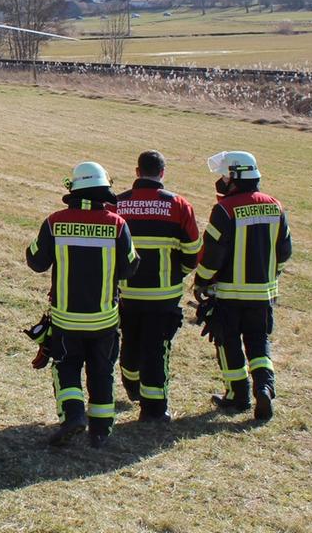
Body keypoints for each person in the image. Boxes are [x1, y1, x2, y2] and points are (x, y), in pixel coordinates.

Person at [26, 162, 137, 448]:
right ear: (104, 191)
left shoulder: (55, 222)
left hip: (66, 320)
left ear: (73, 190)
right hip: (104, 320)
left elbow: (35, 261)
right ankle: (100, 431)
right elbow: (130, 267)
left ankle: (73, 416)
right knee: (102, 371)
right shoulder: (117, 224)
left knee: (66, 367)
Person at [194, 150, 292, 423]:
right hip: (262, 294)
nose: (222, 181)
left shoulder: (225, 209)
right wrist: (272, 276)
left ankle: (238, 395)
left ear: (235, 177)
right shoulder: (275, 206)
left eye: (225, 176)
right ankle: (264, 387)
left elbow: (213, 253)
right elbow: (284, 250)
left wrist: (202, 281)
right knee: (259, 342)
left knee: (228, 343)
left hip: (228, 293)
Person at [114, 150, 201, 422]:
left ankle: (131, 383)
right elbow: (193, 252)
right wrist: (179, 274)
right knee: (157, 349)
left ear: (137, 172)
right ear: (162, 173)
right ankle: (154, 409)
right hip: (164, 295)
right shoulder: (179, 205)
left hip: (127, 293)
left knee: (130, 342)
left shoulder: (117, 204)